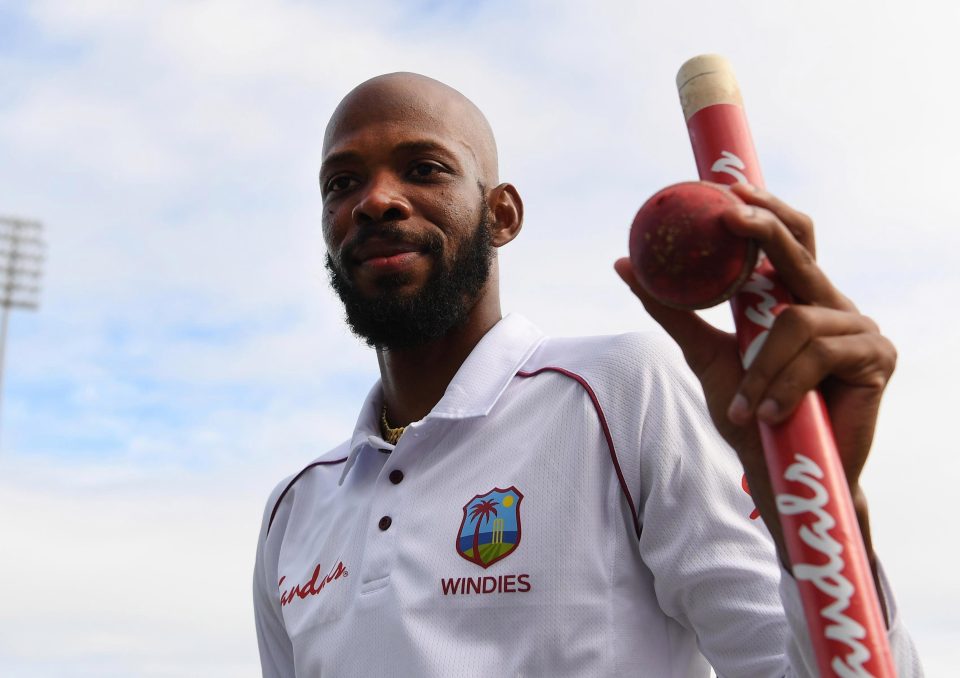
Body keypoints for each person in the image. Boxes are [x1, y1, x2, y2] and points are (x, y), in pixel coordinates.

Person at [253, 72, 922, 677]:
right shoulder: (295, 511)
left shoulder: (618, 389)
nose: (375, 201)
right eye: (341, 183)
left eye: (424, 169)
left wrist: (823, 514)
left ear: (502, 215)